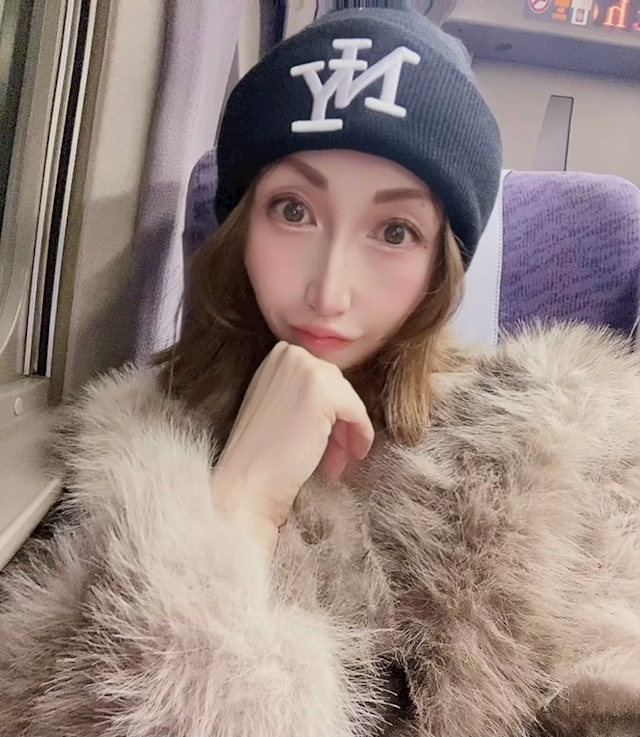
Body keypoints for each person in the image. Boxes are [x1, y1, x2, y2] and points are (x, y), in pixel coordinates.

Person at [0, 8, 638, 737]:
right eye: (293, 210)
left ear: (440, 264)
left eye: (394, 231)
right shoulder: (120, 456)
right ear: (240, 225)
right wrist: (242, 503)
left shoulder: (573, 440)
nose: (329, 291)